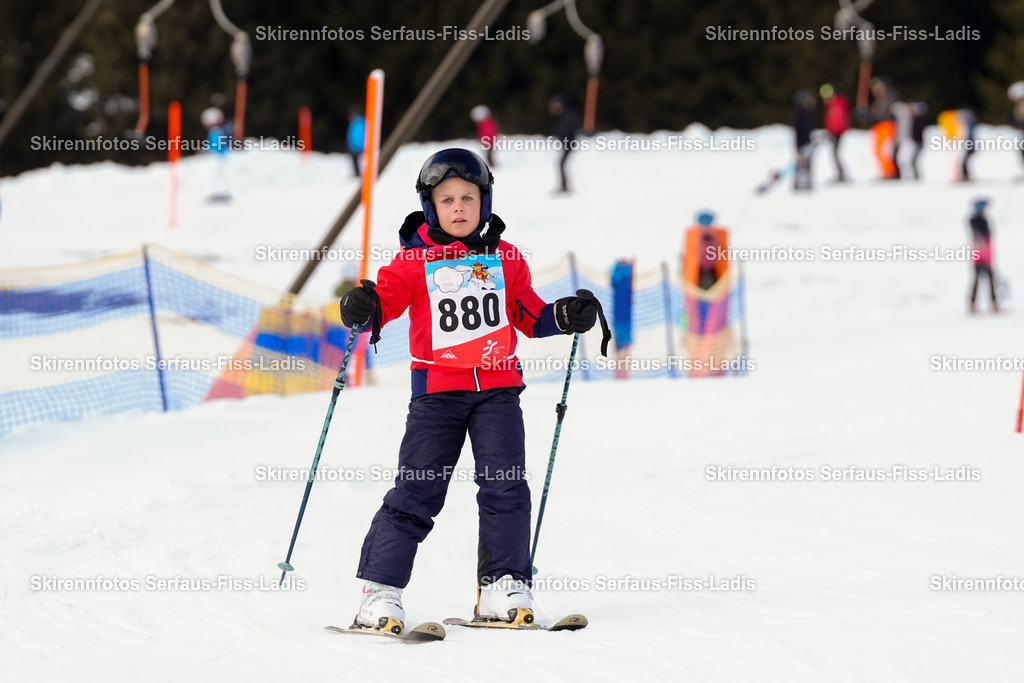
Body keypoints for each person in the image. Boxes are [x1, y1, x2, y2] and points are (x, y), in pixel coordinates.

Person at [338, 148, 601, 634]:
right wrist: (364, 307)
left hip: (498, 391)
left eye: (468, 197)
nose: (458, 207)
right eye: (446, 200)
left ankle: (503, 586)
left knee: (506, 486)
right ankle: (380, 593)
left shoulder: (506, 257)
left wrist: (565, 316)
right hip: (437, 394)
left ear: (484, 201)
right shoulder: (414, 260)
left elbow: (529, 315)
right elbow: (385, 303)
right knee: (418, 490)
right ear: (430, 206)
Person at [968, 198, 998, 314]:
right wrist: (985, 257)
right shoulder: (978, 222)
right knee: (982, 280)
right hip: (981, 256)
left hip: (983, 255)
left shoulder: (976, 221)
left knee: (984, 280)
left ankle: (974, 304)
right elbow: (981, 241)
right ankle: (992, 304)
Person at [548, 94, 581, 193]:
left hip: (569, 144)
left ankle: (565, 186)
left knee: (561, 164)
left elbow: (569, 131)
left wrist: (566, 140)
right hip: (567, 144)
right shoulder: (564, 115)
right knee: (561, 164)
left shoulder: (567, 116)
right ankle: (564, 186)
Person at [820, 83, 850, 183]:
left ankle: (841, 174)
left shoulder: (837, 104)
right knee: (834, 154)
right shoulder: (833, 105)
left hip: (837, 133)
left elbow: (837, 120)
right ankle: (840, 173)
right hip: (834, 132)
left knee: (835, 153)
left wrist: (834, 131)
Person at [200, 107, 231, 202]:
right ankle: (219, 191)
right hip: (221, 155)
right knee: (218, 174)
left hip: (219, 156)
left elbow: (215, 144)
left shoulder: (215, 131)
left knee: (217, 174)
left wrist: (207, 150)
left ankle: (220, 192)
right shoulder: (222, 129)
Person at [791, 91, 815, 191]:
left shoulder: (803, 112)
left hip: (805, 142)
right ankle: (800, 183)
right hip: (803, 143)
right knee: (803, 163)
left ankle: (802, 182)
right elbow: (800, 131)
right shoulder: (800, 114)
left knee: (805, 163)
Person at [346, 108, 366, 177]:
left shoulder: (356, 124)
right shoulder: (362, 122)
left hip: (357, 146)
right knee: (358, 160)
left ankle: (358, 173)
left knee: (356, 160)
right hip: (359, 145)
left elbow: (353, 135)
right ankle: (359, 173)